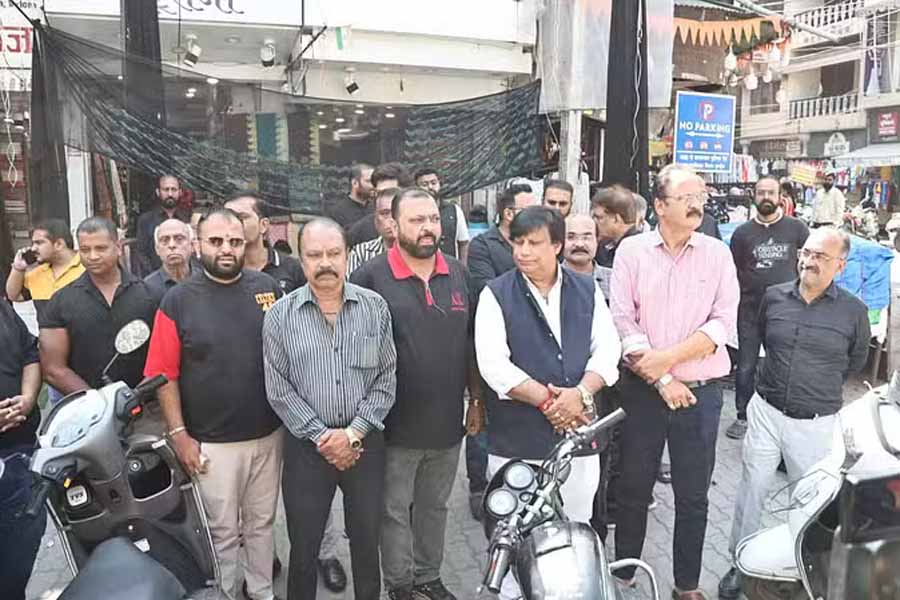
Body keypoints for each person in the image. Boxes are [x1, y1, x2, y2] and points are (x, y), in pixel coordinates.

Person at [475, 206, 621, 600]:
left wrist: (580, 394)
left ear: (557, 245)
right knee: (511, 536)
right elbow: (493, 365)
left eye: (534, 243)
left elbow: (608, 350)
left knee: (575, 530)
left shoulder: (586, 289)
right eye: (518, 242)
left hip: (577, 442)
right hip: (517, 441)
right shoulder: (496, 294)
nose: (523, 251)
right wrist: (550, 402)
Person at [609, 164, 739, 600]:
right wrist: (663, 377)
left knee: (694, 495)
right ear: (660, 206)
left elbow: (722, 323)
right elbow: (623, 320)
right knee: (633, 484)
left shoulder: (717, 254)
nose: (697, 204)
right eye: (686, 197)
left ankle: (686, 584)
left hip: (700, 396)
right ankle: (625, 570)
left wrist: (668, 358)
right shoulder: (632, 251)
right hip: (644, 392)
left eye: (700, 196)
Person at [718, 228, 870, 599]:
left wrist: (814, 385)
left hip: (815, 424)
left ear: (840, 265)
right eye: (806, 253)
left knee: (809, 501)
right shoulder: (774, 297)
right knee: (751, 490)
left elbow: (856, 361)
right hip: (766, 412)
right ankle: (739, 565)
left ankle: (802, 573)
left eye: (820, 256)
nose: (809, 261)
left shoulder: (854, 311)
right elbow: (763, 339)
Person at [143, 208, 284, 600]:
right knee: (221, 531)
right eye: (216, 241)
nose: (226, 249)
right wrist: (179, 435)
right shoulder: (176, 301)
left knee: (261, 524)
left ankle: (261, 591)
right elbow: (163, 375)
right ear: (198, 244)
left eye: (235, 242)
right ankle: (224, 592)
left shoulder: (267, 288)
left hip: (269, 435)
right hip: (212, 444)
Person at [350, 188, 483, 600]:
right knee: (393, 511)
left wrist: (476, 401)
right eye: (416, 220)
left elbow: (472, 343)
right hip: (391, 425)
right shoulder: (369, 278)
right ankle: (400, 584)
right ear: (393, 224)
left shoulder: (458, 274)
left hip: (447, 423)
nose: (428, 228)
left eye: (433, 219)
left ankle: (428, 575)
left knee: (434, 507)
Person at [264, 218, 397, 600]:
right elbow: (279, 390)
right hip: (307, 449)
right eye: (314, 255)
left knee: (367, 541)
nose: (325, 263)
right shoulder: (280, 316)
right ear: (301, 259)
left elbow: (386, 378)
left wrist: (353, 434)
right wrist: (324, 437)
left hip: (364, 446)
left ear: (347, 256)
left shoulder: (374, 308)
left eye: (333, 253)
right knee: (304, 547)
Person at [725, 176, 809, 440]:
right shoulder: (742, 233)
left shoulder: (797, 229)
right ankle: (743, 416)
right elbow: (735, 270)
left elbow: (808, 263)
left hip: (786, 311)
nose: (766, 197)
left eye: (771, 192)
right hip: (750, 309)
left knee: (784, 364)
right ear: (754, 195)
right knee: (746, 366)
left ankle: (780, 417)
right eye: (761, 192)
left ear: (780, 196)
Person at [39, 217, 158, 396]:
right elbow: (53, 369)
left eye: (101, 248)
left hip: (145, 405)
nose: (93, 256)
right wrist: (99, 402)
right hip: (85, 407)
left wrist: (133, 398)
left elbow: (165, 359)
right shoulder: (61, 301)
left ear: (118, 247)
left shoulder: (149, 295)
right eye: (85, 250)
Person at [0, 300, 43, 600]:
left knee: (17, 558)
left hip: (21, 452)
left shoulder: (3, 309)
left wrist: (27, 399)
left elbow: (30, 353)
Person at [224, 192, 307, 293]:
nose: (234, 224)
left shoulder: (293, 269)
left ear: (263, 225)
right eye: (227, 218)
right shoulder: (218, 269)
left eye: (241, 217)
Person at [468, 183, 538, 296]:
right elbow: (486, 290)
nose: (535, 217)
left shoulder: (539, 243)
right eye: (529, 211)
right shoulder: (482, 246)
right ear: (508, 214)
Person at [6, 219, 83, 318]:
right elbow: (14, 296)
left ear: (59, 244)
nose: (33, 248)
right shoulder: (37, 273)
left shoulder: (88, 267)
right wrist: (18, 268)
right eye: (33, 244)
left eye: (39, 243)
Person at [135, 175, 192, 277]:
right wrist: (155, 277)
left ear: (180, 192)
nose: (170, 194)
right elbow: (141, 253)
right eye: (166, 189)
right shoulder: (146, 220)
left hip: (186, 279)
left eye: (173, 189)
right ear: (158, 192)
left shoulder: (187, 218)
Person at [348, 163, 414, 246]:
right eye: (379, 193)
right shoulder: (360, 232)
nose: (384, 198)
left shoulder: (422, 225)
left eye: (390, 192)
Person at [415, 166, 471, 262]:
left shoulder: (454, 210)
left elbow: (464, 243)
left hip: (450, 267)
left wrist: (462, 267)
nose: (430, 187)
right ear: (417, 188)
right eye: (424, 184)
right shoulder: (411, 212)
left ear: (440, 184)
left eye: (433, 183)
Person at [347, 187, 398, 276]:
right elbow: (350, 283)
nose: (392, 219)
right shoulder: (361, 253)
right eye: (385, 213)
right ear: (375, 218)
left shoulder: (418, 250)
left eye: (397, 213)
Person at [143, 219, 194, 305]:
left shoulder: (205, 281)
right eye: (165, 240)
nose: (172, 245)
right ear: (157, 249)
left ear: (192, 245)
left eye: (179, 239)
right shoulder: (147, 288)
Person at [325, 163, 374, 230]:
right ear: (355, 183)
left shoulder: (376, 208)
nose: (373, 186)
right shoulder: (337, 212)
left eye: (374, 181)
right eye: (368, 181)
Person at [562, 214, 601, 278]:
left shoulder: (614, 277)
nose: (579, 244)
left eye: (586, 238)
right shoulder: (550, 278)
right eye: (571, 237)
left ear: (597, 241)